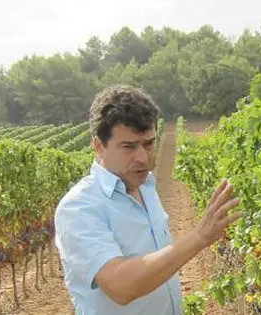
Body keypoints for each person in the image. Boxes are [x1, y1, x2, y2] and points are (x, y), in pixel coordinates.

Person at [54, 85, 241, 315]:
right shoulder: (79, 207)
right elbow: (120, 286)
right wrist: (199, 237)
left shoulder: (146, 186)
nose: (142, 158)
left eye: (149, 143)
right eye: (128, 147)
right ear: (99, 146)